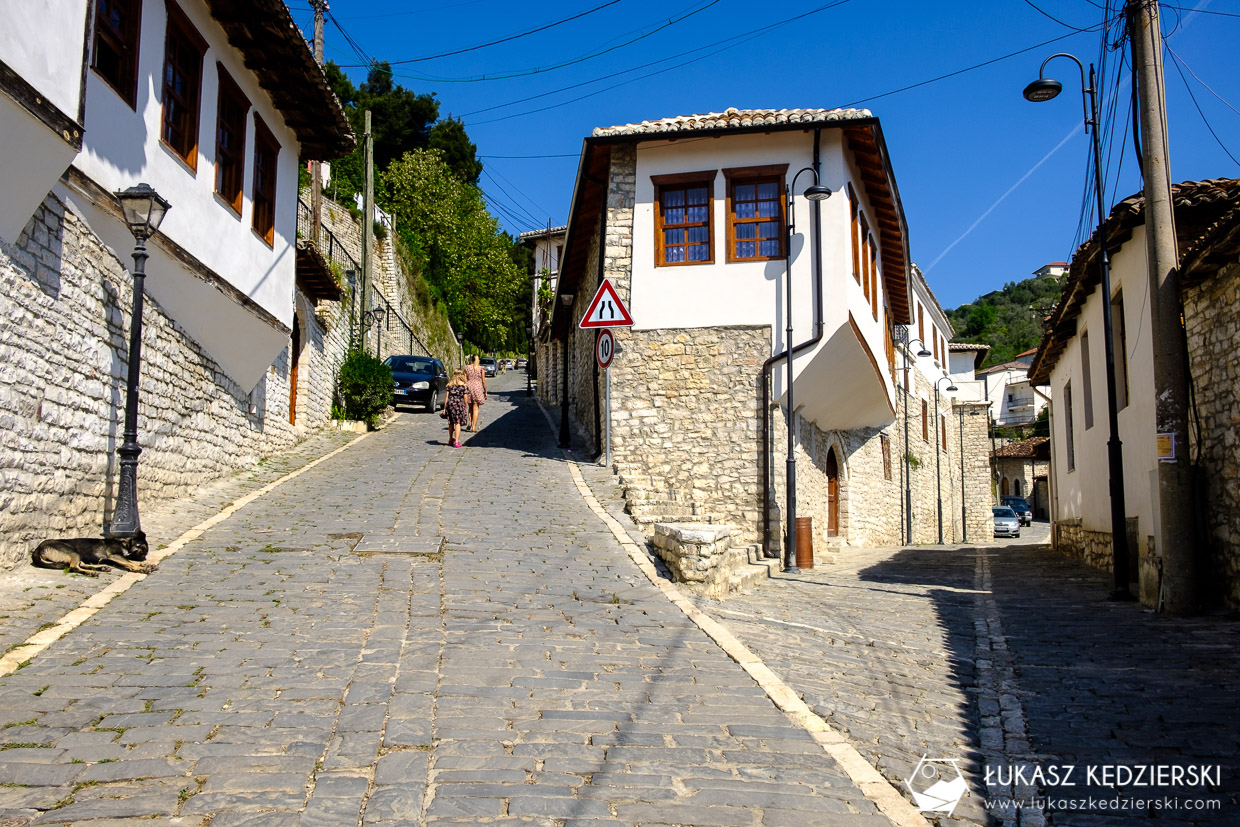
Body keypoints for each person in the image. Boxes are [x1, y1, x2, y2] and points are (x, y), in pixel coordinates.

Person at [442, 370, 469, 447]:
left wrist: (444, 408)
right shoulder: (464, 386)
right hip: (459, 405)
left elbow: (446, 397)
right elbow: (465, 397)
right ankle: (456, 441)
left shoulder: (450, 385)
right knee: (458, 422)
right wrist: (465, 405)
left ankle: (450, 439)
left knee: (450, 422)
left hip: (450, 404)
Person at [463, 354, 487, 432]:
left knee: (470, 407)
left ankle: (470, 422)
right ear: (478, 360)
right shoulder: (481, 368)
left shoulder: (467, 368)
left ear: (472, 360)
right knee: (476, 408)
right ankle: (473, 427)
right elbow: (483, 381)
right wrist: (485, 391)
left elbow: (464, 380)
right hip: (477, 388)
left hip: (469, 387)